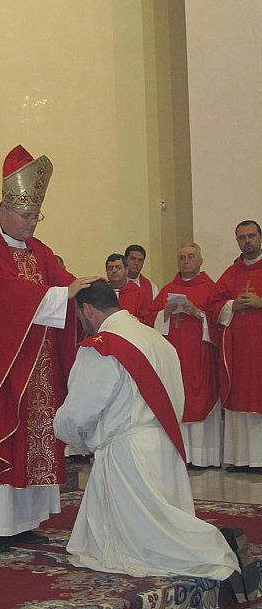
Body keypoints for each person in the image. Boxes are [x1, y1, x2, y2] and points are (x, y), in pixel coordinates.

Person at [0, 145, 97, 552]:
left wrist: (88, 292)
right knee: (2, 437)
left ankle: (23, 520)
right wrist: (61, 294)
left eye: (36, 216)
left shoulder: (40, 251)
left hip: (38, 370)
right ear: (5, 211)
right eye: (27, 216)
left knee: (35, 442)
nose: (32, 223)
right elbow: (5, 299)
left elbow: (64, 283)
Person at [53, 280, 238, 580]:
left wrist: (62, 431)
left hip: (128, 450)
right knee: (164, 518)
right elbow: (176, 398)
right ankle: (202, 547)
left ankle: (210, 547)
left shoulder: (102, 346)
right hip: (163, 441)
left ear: (87, 309)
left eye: (79, 316)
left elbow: (80, 410)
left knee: (145, 540)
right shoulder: (158, 340)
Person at [150, 243, 221, 468]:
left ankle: (203, 457)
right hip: (175, 357)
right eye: (182, 257)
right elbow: (150, 319)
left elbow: (220, 319)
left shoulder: (211, 288)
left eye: (191, 257)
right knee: (177, 398)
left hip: (200, 357)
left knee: (199, 397)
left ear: (200, 260)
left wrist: (198, 313)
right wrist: (165, 313)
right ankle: (181, 455)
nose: (186, 261)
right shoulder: (167, 289)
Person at [207, 220, 262, 473]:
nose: (247, 241)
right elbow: (213, 305)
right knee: (241, 396)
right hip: (240, 351)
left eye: (251, 236)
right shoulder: (231, 273)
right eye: (242, 237)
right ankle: (242, 460)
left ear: (260, 238)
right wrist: (232, 306)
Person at [106, 253, 150, 323]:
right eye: (110, 268)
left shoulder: (139, 293)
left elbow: (147, 321)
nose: (114, 271)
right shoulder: (101, 292)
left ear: (126, 271)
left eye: (118, 267)